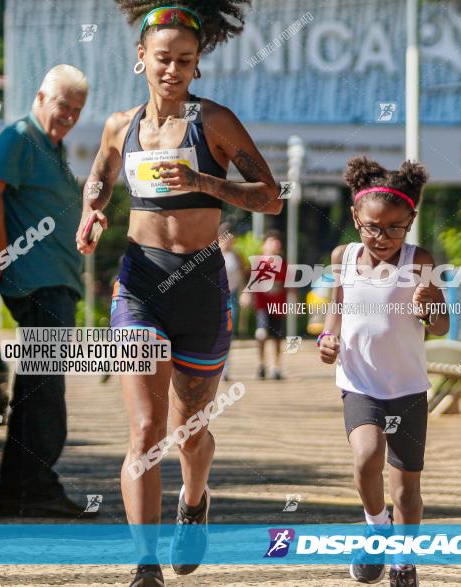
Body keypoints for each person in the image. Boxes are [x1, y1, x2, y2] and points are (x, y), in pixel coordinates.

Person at [76, 3, 280, 585]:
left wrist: (203, 182)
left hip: (200, 284)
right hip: (139, 282)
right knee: (145, 429)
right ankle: (145, 564)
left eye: (185, 61)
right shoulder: (121, 124)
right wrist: (92, 211)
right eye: (163, 58)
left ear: (197, 67)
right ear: (141, 59)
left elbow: (270, 196)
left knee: (190, 428)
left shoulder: (214, 122)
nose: (173, 70)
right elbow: (100, 175)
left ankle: (194, 501)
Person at [318, 156, 449, 587]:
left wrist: (431, 308)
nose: (383, 236)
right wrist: (327, 338)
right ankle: (376, 528)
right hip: (360, 383)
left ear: (411, 220)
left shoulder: (418, 260)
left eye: (395, 227)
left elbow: (441, 325)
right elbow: (337, 307)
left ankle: (404, 560)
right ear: (356, 218)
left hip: (408, 387)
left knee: (407, 491)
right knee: (366, 457)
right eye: (373, 226)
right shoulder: (344, 257)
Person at [0, 64, 96, 519]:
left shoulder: (50, 146)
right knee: (45, 395)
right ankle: (36, 489)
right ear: (41, 95)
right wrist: (5, 254)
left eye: (76, 111)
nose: (68, 116)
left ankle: (18, 493)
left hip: (54, 281)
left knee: (36, 392)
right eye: (63, 106)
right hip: (40, 283)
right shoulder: (20, 137)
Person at [252, 230, 287, 379]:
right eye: (272, 241)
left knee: (277, 337)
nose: (275, 244)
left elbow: (289, 284)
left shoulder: (283, 263)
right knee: (261, 334)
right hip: (262, 306)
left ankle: (276, 367)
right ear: (264, 245)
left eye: (277, 241)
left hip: (278, 306)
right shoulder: (258, 263)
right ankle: (261, 364)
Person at [219, 223, 241, 380]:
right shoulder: (211, 255)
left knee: (227, 333)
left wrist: (245, 293)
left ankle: (225, 368)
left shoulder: (236, 256)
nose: (229, 242)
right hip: (213, 298)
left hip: (231, 297)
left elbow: (242, 277)